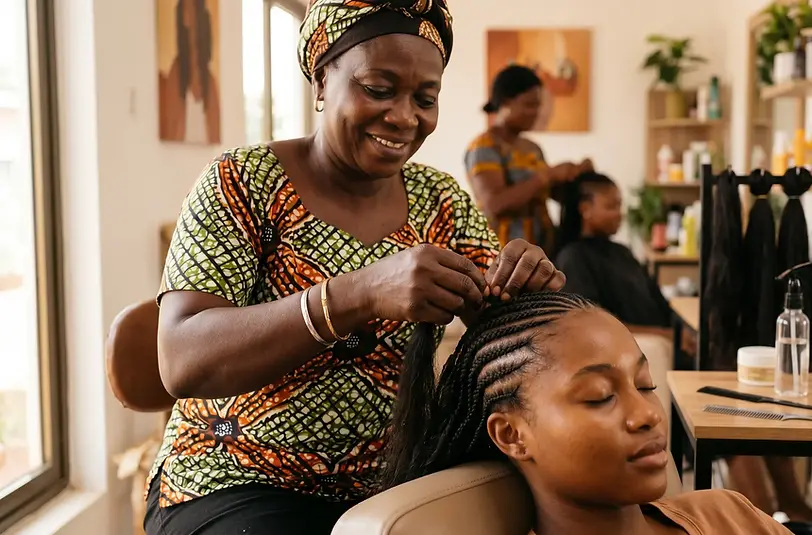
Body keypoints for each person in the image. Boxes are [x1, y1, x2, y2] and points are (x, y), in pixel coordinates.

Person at [143, 2, 566, 534]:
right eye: (379, 89)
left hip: (395, 486)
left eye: (425, 98)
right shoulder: (241, 182)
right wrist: (357, 295)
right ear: (322, 80)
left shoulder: (440, 201)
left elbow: (504, 317)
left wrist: (526, 289)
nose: (404, 117)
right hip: (237, 479)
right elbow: (182, 360)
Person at [383, 292, 792, 535]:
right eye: (599, 397)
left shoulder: (729, 515)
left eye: (645, 384)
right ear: (511, 434)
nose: (646, 414)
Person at [465, 64, 593, 254]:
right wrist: (548, 175)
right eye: (529, 104)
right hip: (503, 259)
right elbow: (494, 204)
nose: (536, 112)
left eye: (538, 105)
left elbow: (547, 194)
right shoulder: (484, 146)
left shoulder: (532, 148)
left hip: (541, 252)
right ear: (506, 103)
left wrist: (577, 177)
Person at [554, 172, 672, 329]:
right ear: (585, 209)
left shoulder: (622, 252)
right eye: (611, 206)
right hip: (627, 346)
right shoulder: (574, 258)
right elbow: (590, 326)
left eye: (619, 206)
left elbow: (660, 303)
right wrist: (665, 336)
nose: (619, 214)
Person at [158, 0, 221, 144]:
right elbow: (172, 132)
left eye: (190, 8)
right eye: (184, 9)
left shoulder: (210, 81)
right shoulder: (176, 74)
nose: (187, 17)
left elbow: (216, 136)